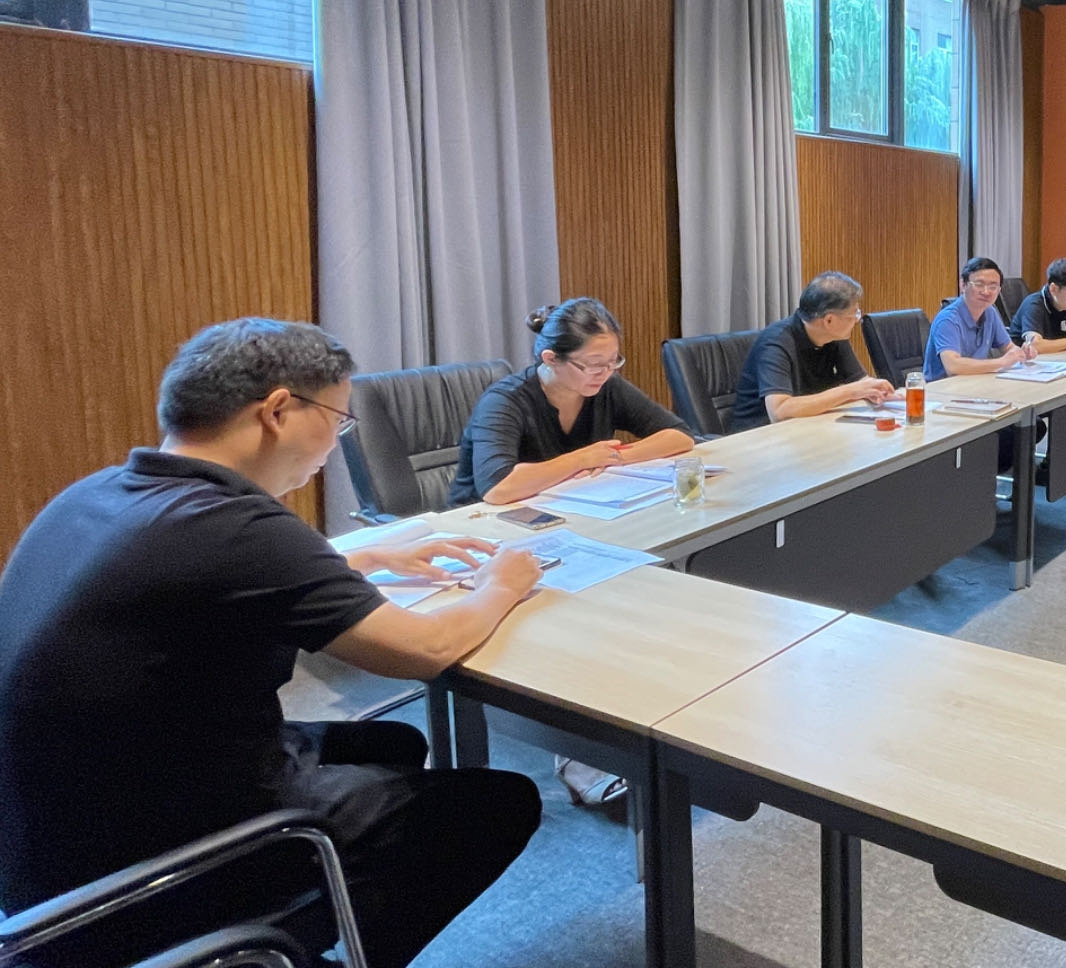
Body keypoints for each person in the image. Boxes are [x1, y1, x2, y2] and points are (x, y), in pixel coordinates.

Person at [0, 318, 543, 968]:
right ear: (279, 411)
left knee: (393, 744)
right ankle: (278, 953)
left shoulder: (98, 495)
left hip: (45, 845)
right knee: (495, 806)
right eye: (338, 421)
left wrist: (366, 559)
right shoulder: (239, 527)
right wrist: (503, 583)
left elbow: (208, 581)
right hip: (142, 868)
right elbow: (424, 650)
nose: (335, 444)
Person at [449, 298, 695, 507]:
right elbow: (498, 487)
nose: (605, 372)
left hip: (563, 507)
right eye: (594, 364)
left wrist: (611, 457)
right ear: (551, 359)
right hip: (482, 524)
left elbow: (679, 435)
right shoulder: (504, 401)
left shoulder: (607, 386)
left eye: (613, 361)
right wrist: (582, 459)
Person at [729, 271, 895, 432]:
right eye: (854, 315)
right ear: (829, 320)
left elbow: (859, 381)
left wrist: (881, 392)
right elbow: (779, 411)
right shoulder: (775, 343)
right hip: (759, 437)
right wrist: (851, 391)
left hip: (809, 426)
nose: (857, 320)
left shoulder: (834, 336)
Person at [924, 257, 1037, 382]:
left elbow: (1008, 347)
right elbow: (953, 366)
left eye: (993, 286)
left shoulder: (990, 312)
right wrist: (1002, 362)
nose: (986, 292)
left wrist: (1021, 353)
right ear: (963, 285)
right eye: (979, 285)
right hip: (942, 388)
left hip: (974, 383)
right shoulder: (947, 320)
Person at [1011, 257, 1066, 355]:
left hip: (1054, 359)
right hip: (1023, 361)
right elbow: (1035, 345)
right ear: (1054, 289)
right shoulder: (1034, 305)